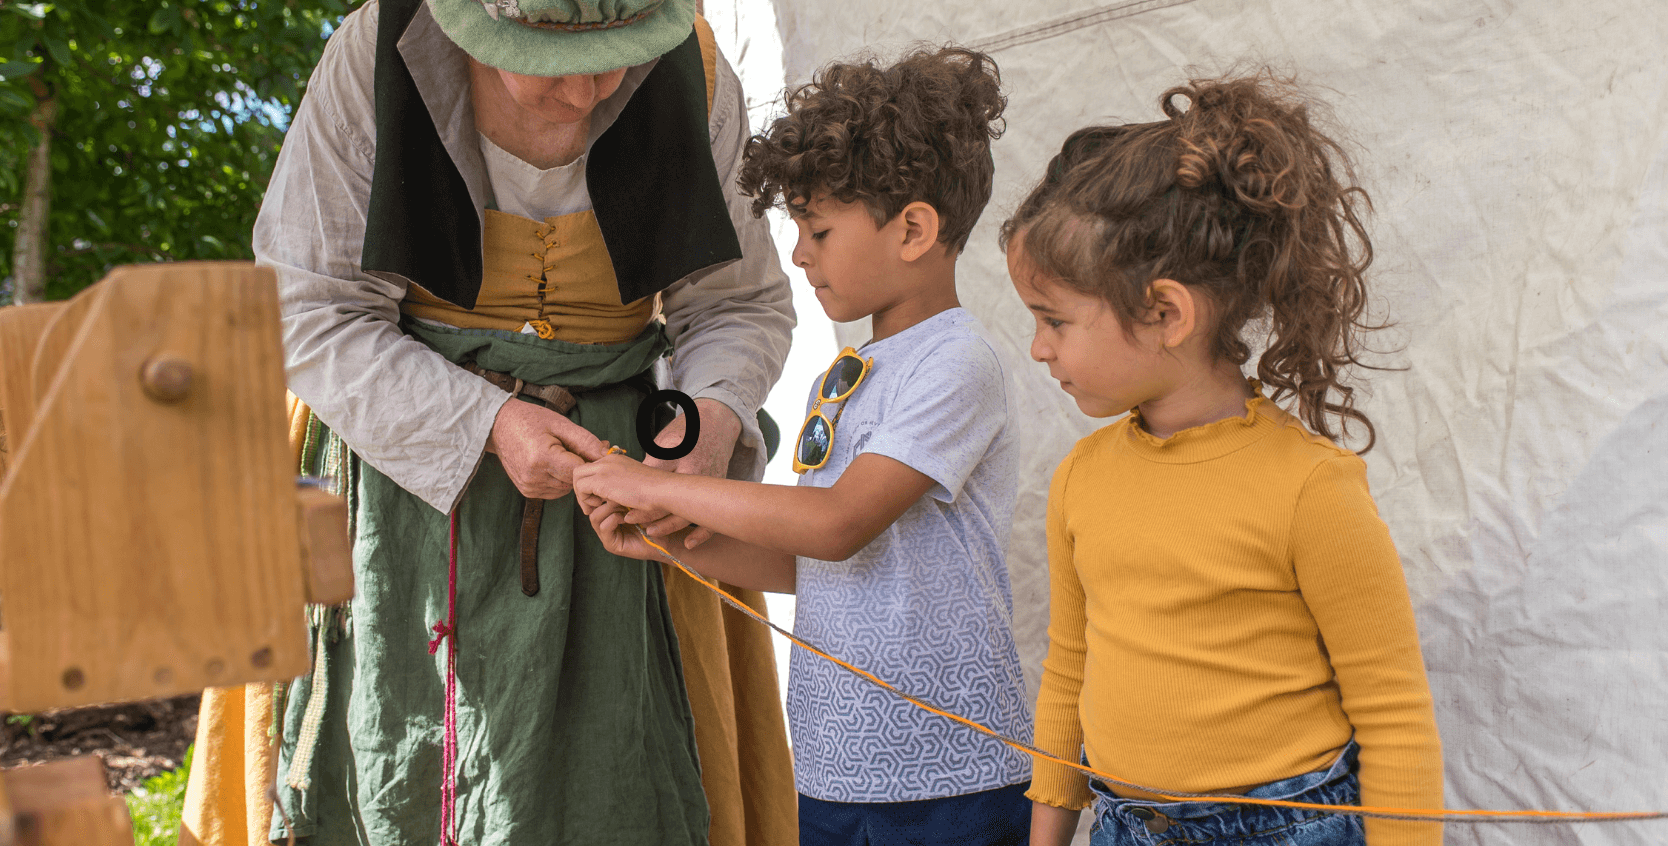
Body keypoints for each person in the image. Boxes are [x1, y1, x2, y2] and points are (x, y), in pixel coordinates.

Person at [179, 1, 800, 845]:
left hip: (625, 497)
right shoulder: (378, 51)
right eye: (547, 62)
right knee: (399, 762)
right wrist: (488, 422)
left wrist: (700, 430)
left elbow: (737, 303)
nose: (583, 94)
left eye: (614, 60)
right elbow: (304, 306)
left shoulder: (693, 62)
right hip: (403, 472)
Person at [574, 46, 1037, 846]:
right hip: (830, 770)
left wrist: (664, 489)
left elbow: (834, 524)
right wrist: (673, 545)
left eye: (817, 229)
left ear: (915, 229)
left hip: (950, 779)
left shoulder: (959, 360)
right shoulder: (846, 372)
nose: (797, 253)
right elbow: (817, 567)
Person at [1002, 73, 1444, 846]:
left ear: (1167, 313)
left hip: (1283, 830)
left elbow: (1395, 714)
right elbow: (1067, 675)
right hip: (1123, 827)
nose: (1038, 349)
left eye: (1054, 321)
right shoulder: (1080, 479)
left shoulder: (1309, 489)